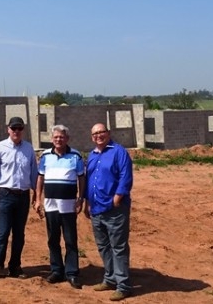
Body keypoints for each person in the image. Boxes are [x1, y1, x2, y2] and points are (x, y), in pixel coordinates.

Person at [84, 123, 133, 301]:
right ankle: (110, 278)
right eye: (95, 133)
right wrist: (86, 202)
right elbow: (88, 180)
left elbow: (125, 177)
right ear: (92, 137)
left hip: (114, 209)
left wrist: (117, 198)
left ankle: (123, 285)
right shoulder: (92, 155)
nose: (99, 135)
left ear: (108, 133)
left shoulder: (119, 152)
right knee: (103, 246)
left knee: (118, 247)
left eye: (102, 132)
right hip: (96, 208)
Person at [0, 116, 38, 279]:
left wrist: (36, 193)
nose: (16, 131)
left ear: (23, 130)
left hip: (23, 196)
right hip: (6, 195)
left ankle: (15, 266)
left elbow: (34, 172)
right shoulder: (0, 148)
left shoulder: (29, 149)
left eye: (19, 128)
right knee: (3, 232)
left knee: (19, 233)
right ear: (8, 129)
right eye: (13, 128)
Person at [34, 125, 85, 289]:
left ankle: (72, 273)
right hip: (51, 205)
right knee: (53, 239)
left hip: (68, 205)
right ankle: (56, 270)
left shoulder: (75, 156)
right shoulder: (45, 156)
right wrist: (37, 199)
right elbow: (40, 178)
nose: (58, 140)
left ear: (67, 139)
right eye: (56, 137)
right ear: (51, 139)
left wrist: (80, 198)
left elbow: (81, 179)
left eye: (61, 137)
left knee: (70, 240)